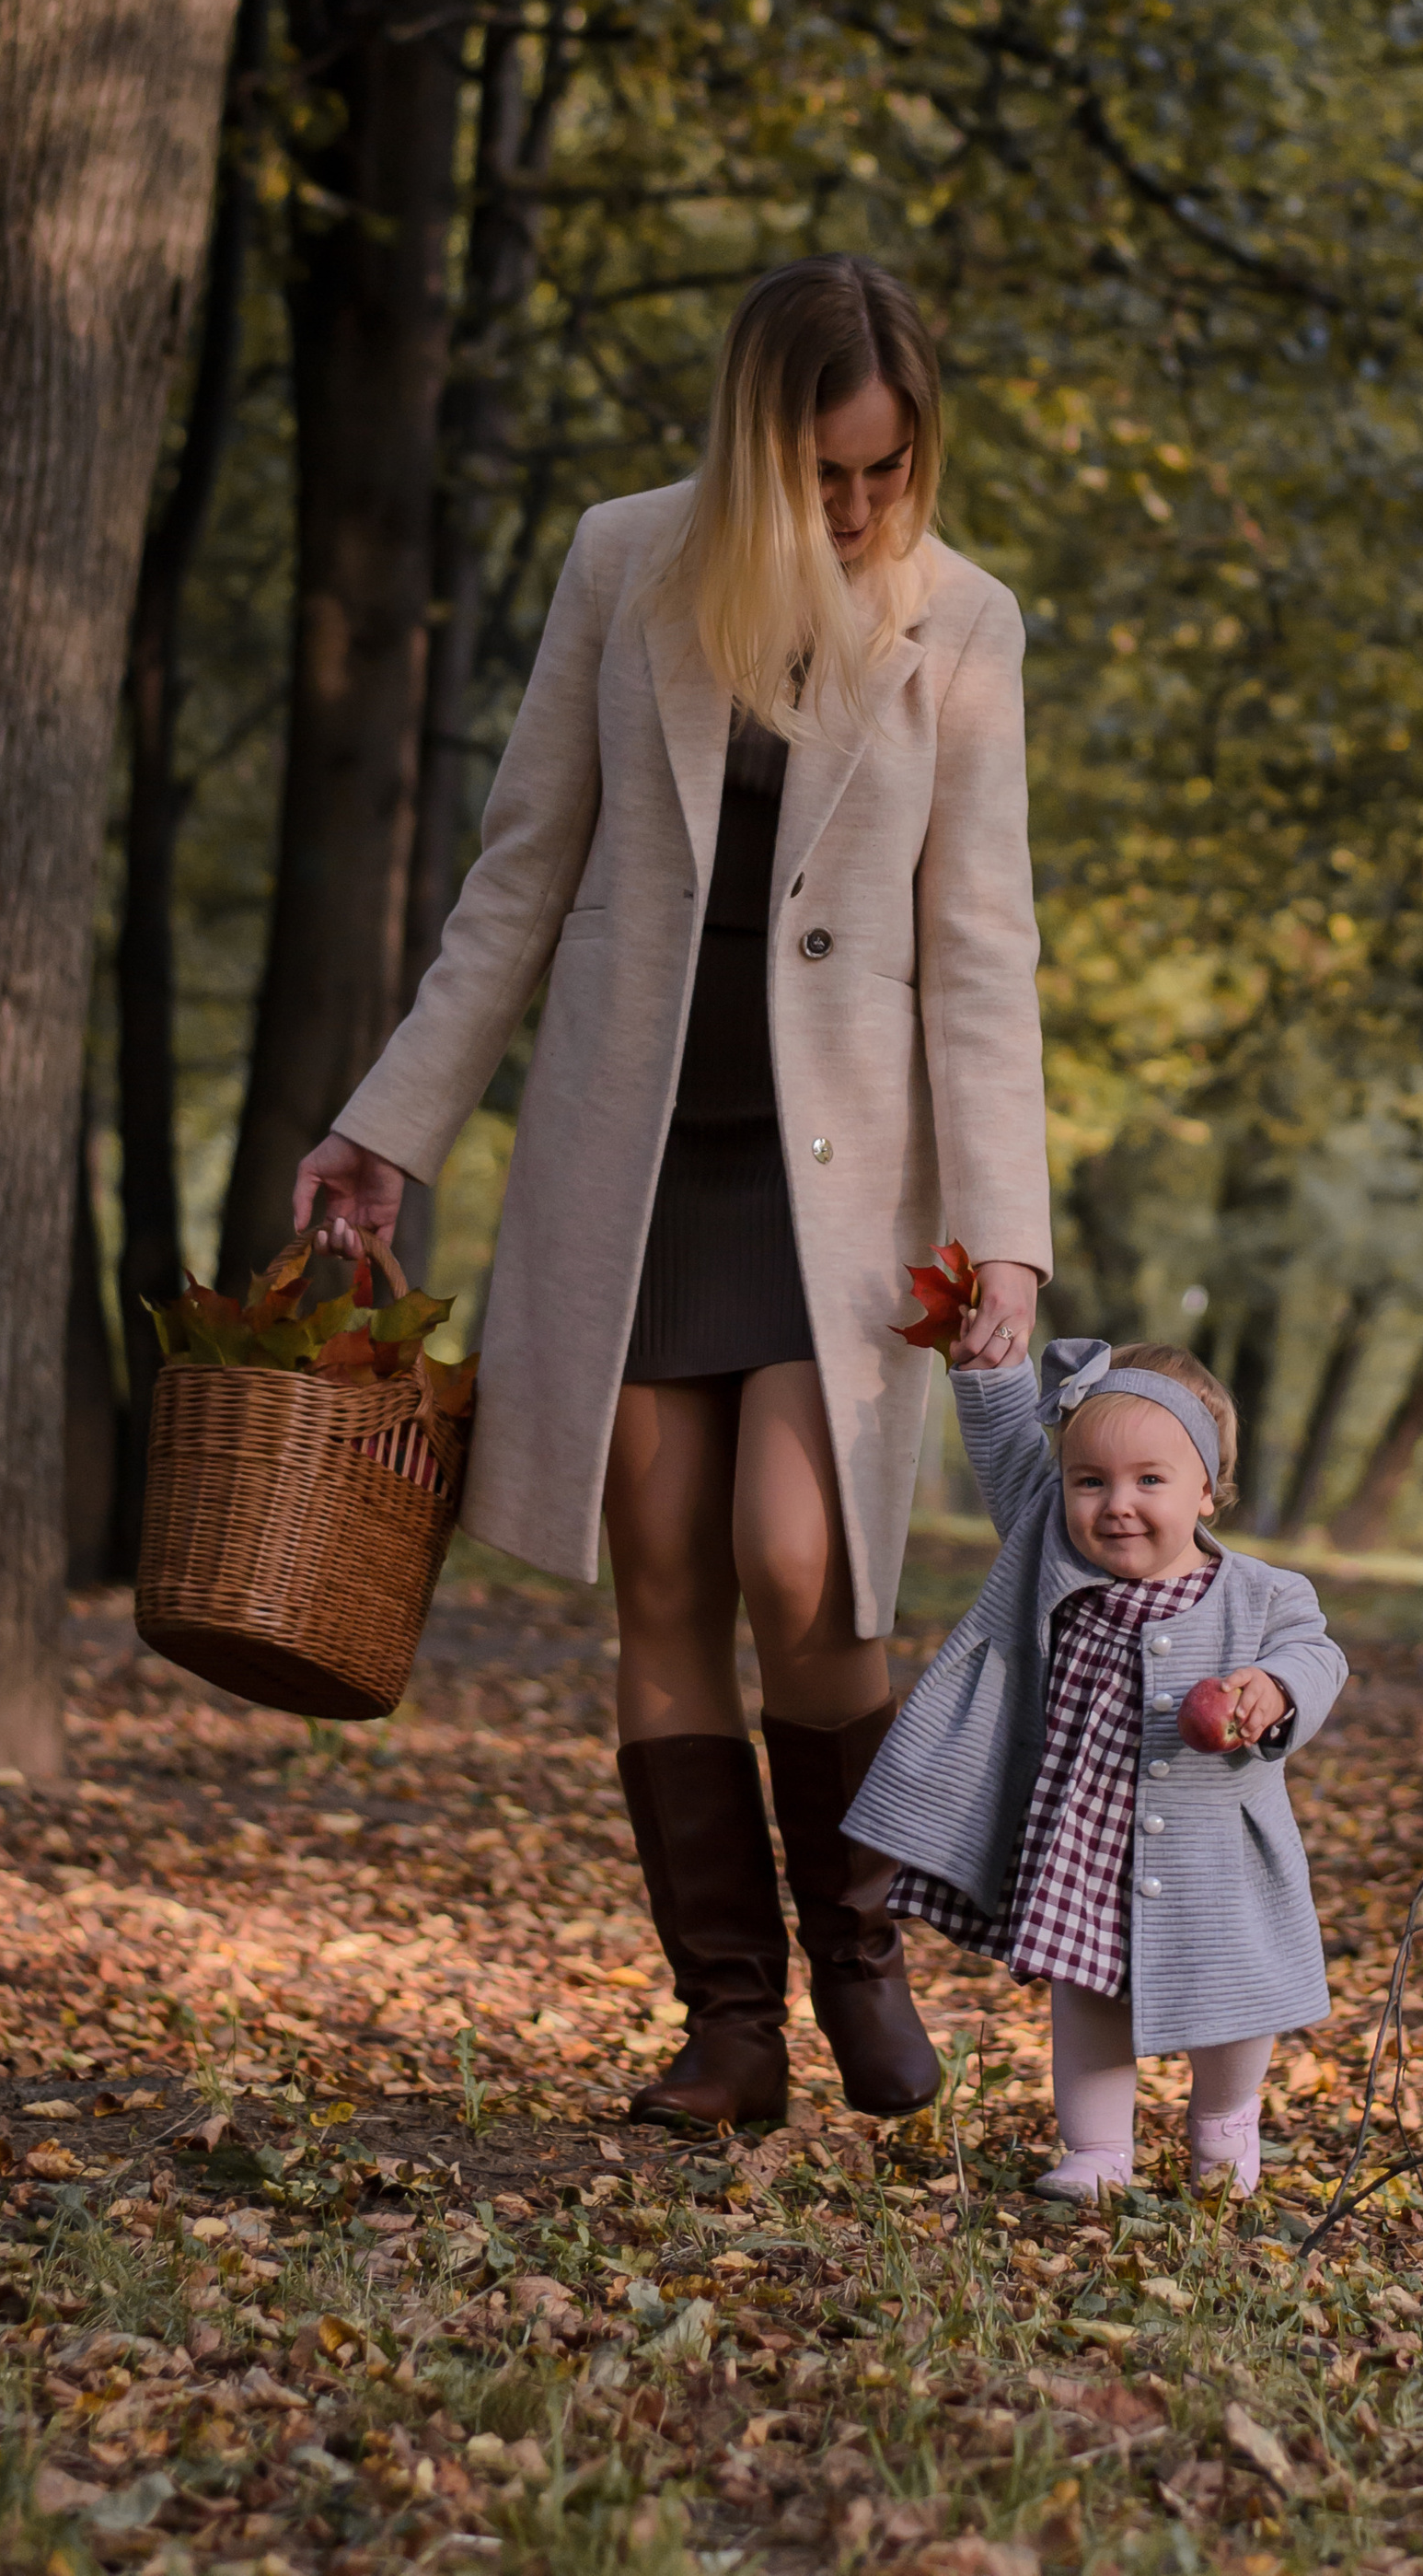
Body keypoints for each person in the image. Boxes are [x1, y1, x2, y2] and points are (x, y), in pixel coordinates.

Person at [291, 258, 1052, 2130]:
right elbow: (518, 871)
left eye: (884, 470)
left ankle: (854, 1960)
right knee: (659, 1568)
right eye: (823, 473)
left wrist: (1007, 1223)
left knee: (804, 1564)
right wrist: (388, 1119)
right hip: (631, 1164)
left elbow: (979, 949)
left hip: (845, 1192)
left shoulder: (962, 624)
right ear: (750, 449)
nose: (859, 506)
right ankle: (729, 2023)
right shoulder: (624, 564)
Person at [847, 1334, 1346, 2201]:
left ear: (1208, 1489)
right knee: (1087, 1993)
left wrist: (1273, 1689)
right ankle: (1098, 2150)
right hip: (1089, 1840)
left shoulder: (1264, 1594)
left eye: (1150, 1480)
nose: (1117, 1504)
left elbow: (1319, 1655)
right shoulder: (1052, 1555)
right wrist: (989, 1366)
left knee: (1237, 2000)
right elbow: (1009, 1456)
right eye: (1091, 1481)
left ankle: (1226, 2123)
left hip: (1215, 1857)